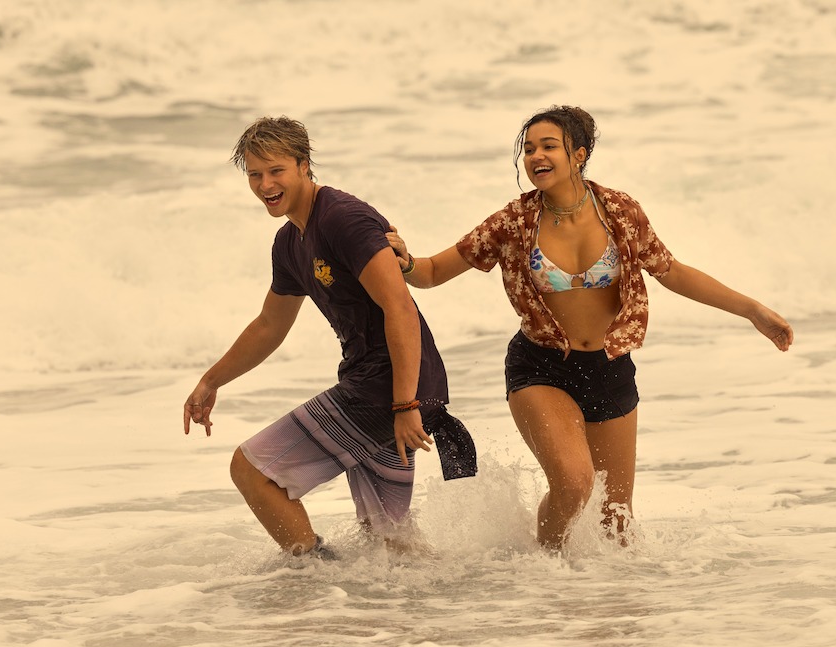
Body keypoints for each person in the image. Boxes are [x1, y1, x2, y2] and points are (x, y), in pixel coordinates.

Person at [386, 105, 792, 551]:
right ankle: (545, 573)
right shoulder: (513, 223)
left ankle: (596, 606)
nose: (535, 156)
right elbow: (433, 271)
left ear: (578, 154)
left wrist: (751, 309)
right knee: (575, 484)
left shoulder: (619, 211)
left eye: (547, 146)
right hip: (541, 366)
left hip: (609, 367)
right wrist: (403, 261)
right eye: (528, 149)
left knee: (616, 523)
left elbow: (671, 271)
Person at [185, 116, 475, 559]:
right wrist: (211, 381)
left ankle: (315, 578)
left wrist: (404, 404)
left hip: (385, 388)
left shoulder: (344, 219)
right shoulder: (289, 243)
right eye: (254, 174)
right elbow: (270, 325)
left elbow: (400, 309)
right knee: (391, 547)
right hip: (390, 385)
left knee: (251, 469)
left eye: (276, 170)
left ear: (304, 165)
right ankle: (468, 605)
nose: (265, 184)